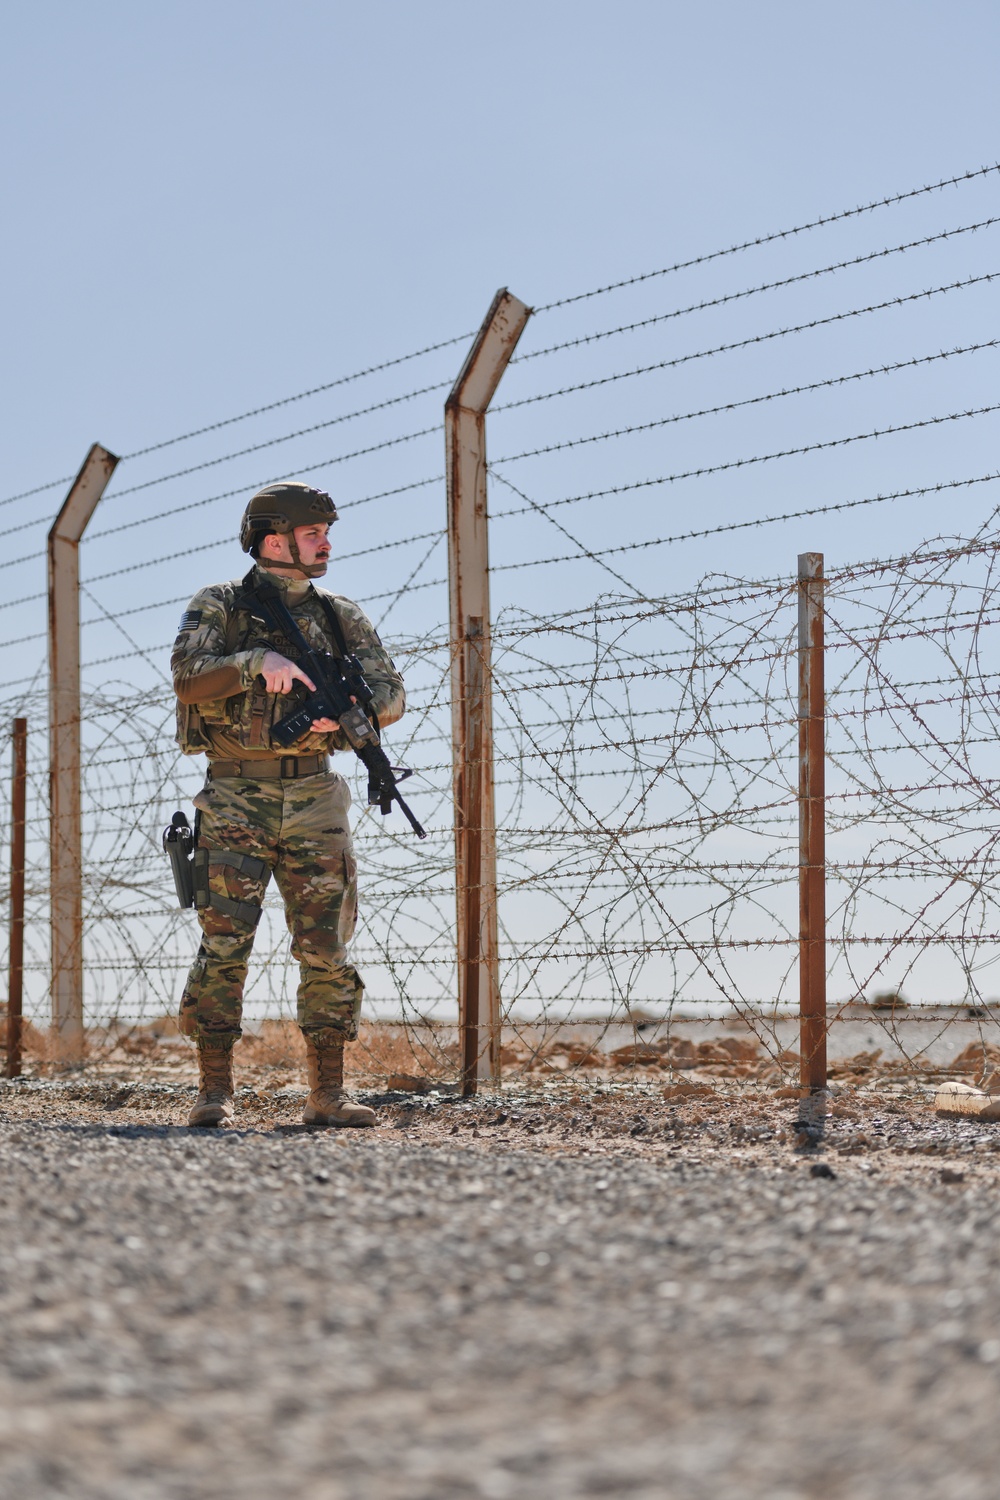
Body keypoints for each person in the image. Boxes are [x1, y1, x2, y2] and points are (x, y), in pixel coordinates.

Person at [170, 480, 405, 1129]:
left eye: (326, 534)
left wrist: (352, 715)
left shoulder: (339, 615)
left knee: (327, 944)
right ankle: (214, 1090)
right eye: (313, 534)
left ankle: (326, 1094)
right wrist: (254, 662)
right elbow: (189, 678)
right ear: (274, 540)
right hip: (235, 791)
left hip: (313, 792)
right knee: (224, 942)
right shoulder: (220, 605)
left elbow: (391, 689)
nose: (326, 544)